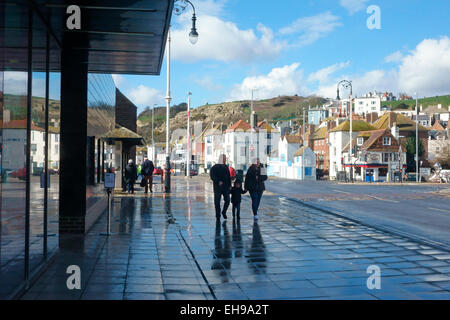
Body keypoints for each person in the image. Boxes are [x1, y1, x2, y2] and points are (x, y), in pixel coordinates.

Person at [210, 154, 231, 220]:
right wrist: (218, 181)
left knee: (227, 200)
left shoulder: (226, 167)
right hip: (217, 187)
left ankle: (224, 212)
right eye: (224, 158)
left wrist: (230, 185)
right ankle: (218, 215)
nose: (225, 160)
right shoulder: (214, 167)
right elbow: (212, 176)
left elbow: (228, 177)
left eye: (225, 158)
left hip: (225, 187)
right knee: (217, 202)